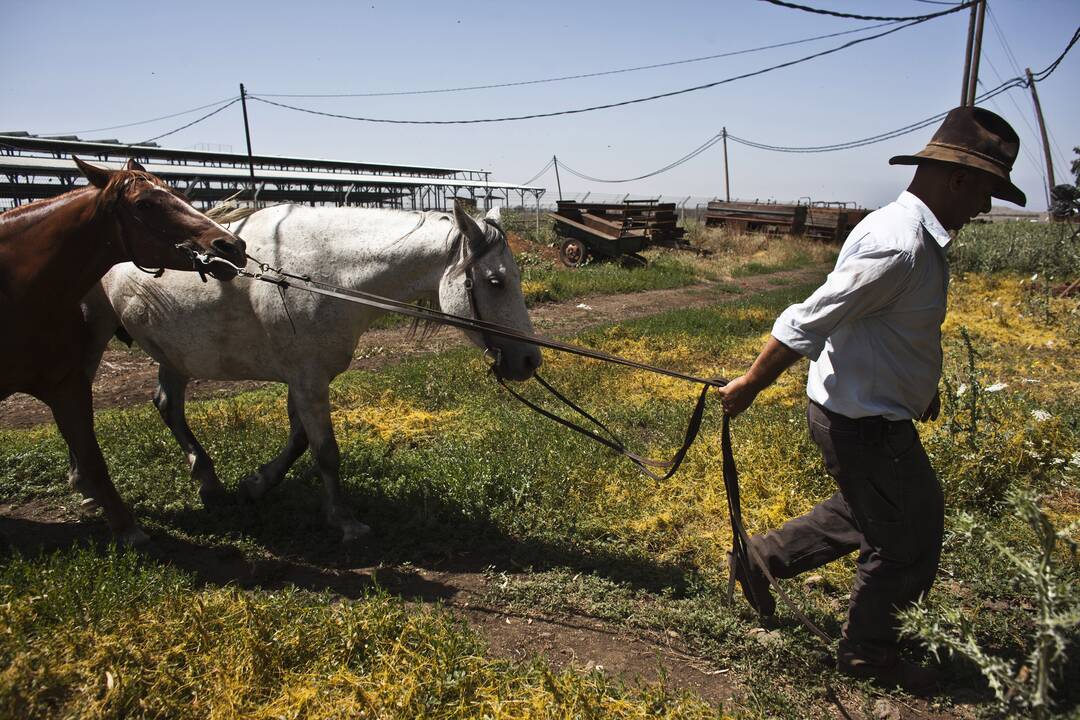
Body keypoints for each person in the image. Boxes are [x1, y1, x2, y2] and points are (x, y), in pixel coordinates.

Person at [718, 106, 1026, 692]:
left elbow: (879, 329)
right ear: (958, 180)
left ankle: (760, 560)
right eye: (987, 191)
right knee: (909, 535)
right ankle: (867, 652)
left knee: (869, 508)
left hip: (867, 408)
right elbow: (811, 318)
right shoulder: (899, 245)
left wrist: (917, 390)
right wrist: (751, 385)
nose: (986, 207)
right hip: (863, 422)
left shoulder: (903, 232)